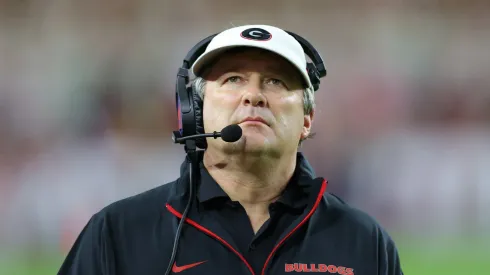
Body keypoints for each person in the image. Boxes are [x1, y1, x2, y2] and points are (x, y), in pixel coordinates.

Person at [58, 24, 403, 275]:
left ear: (307, 119)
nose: (253, 95)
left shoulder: (363, 240)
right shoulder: (117, 233)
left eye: (276, 81)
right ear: (195, 111)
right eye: (233, 79)